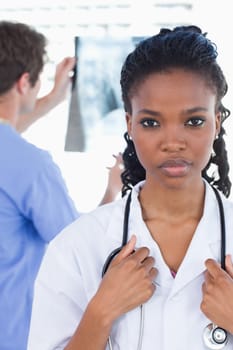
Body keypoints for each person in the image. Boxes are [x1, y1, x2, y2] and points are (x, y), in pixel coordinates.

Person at [27, 25, 233, 350]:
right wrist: (101, 312)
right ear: (129, 124)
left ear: (217, 122)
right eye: (151, 122)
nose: (173, 142)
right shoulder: (78, 246)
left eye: (193, 121)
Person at [0, 20, 123, 350]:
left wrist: (53, 99)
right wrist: (112, 192)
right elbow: (77, 246)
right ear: (25, 82)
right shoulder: (31, 165)